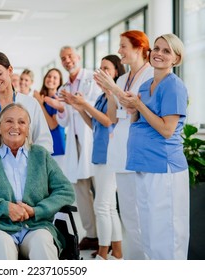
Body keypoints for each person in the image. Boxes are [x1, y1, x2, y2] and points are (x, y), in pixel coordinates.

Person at [0, 103, 75, 259]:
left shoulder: (41, 155)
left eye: (21, 122)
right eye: (9, 121)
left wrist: (36, 210)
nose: (15, 126)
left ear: (28, 129)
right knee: (2, 245)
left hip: (36, 226)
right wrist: (5, 208)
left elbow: (65, 190)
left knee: (42, 243)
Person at [119, 34, 189, 259]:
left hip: (164, 167)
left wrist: (139, 104)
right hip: (144, 164)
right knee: (148, 233)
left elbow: (167, 129)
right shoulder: (147, 84)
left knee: (166, 235)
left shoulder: (174, 86)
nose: (158, 53)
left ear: (176, 59)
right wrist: (133, 109)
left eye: (166, 51)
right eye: (156, 48)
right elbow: (139, 120)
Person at [93, 30, 153, 259]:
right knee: (127, 213)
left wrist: (114, 88)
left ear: (139, 48)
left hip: (138, 149)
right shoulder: (121, 79)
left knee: (140, 213)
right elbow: (114, 117)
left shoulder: (149, 76)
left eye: (123, 46)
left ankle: (146, 261)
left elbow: (134, 108)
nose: (119, 51)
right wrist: (110, 92)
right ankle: (132, 260)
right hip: (119, 149)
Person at [64, 55, 126, 260]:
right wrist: (78, 107)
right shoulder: (101, 96)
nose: (101, 72)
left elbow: (109, 120)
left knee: (101, 205)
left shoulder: (113, 96)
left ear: (116, 72)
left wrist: (84, 104)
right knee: (109, 207)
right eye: (100, 68)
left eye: (106, 69)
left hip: (111, 156)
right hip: (100, 155)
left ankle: (103, 253)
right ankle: (116, 253)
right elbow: (94, 125)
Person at [45, 46, 100, 252]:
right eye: (63, 58)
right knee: (81, 191)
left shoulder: (91, 79)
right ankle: (91, 234)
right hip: (74, 143)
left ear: (78, 57)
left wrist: (78, 103)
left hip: (92, 140)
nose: (67, 60)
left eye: (70, 56)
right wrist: (61, 108)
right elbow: (66, 120)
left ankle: (106, 238)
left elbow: (97, 108)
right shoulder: (64, 87)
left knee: (100, 191)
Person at [33, 68, 65, 168]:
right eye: (49, 76)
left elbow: (52, 125)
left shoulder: (58, 100)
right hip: (43, 146)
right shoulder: (42, 99)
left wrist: (40, 104)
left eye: (55, 77)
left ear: (59, 82)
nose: (51, 79)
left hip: (57, 147)